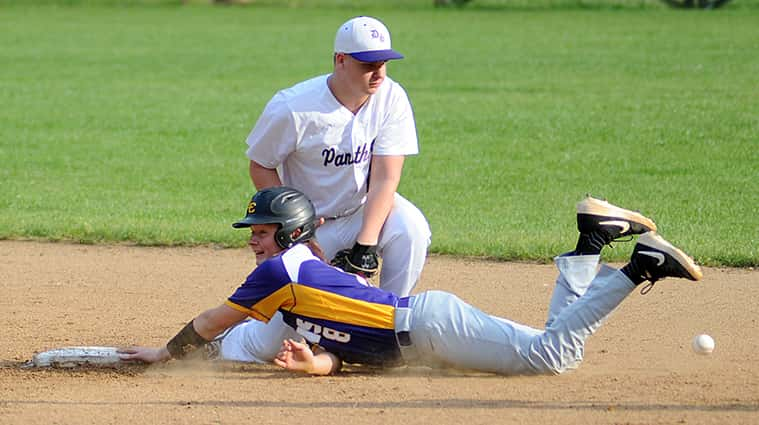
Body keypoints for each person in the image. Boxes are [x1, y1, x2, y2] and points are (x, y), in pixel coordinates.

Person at [120, 187, 703, 376]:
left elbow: (210, 322)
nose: (251, 239)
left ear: (287, 233)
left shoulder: (279, 271)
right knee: (550, 343)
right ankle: (592, 241)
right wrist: (317, 366)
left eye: (260, 229)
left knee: (552, 357)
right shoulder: (297, 282)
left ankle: (638, 265)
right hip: (423, 331)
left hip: (427, 325)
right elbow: (334, 341)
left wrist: (167, 356)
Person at [244, 15, 430, 298]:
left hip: (362, 212)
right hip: (312, 227)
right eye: (368, 65)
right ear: (340, 60)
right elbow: (261, 165)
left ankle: (392, 322)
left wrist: (365, 245)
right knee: (280, 327)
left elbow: (385, 177)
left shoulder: (391, 97)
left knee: (411, 228)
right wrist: (297, 231)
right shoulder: (294, 108)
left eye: (383, 64)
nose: (379, 73)